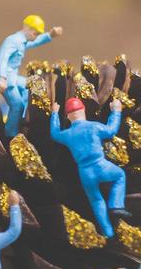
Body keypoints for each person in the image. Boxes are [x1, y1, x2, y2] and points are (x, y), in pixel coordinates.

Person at [50, 95, 129, 238]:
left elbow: (54, 134)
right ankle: (115, 205)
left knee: (96, 200)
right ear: (83, 110)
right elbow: (111, 130)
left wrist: (54, 113)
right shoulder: (94, 126)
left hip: (85, 172)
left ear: (68, 117)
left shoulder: (67, 134)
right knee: (120, 175)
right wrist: (116, 111)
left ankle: (108, 232)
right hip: (101, 164)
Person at [0, 15, 62, 135]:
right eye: (35, 34)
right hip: (5, 78)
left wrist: (50, 35)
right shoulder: (13, 41)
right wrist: (2, 78)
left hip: (12, 77)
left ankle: (24, 117)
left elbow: (35, 42)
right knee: (16, 104)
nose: (36, 37)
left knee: (29, 86)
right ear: (28, 29)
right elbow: (3, 58)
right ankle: (11, 133)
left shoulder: (22, 41)